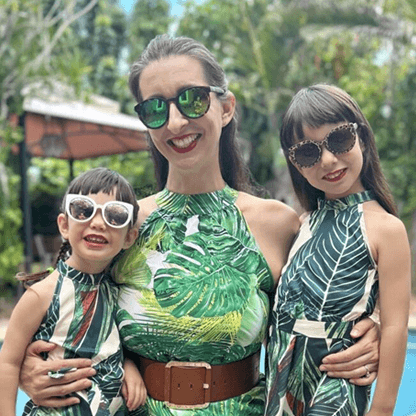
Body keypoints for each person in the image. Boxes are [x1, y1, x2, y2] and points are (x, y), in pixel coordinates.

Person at [18, 36, 379, 415]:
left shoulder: (279, 224)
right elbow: (65, 303)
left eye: (192, 99)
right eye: (155, 109)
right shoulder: (124, 225)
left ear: (226, 108)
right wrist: (29, 365)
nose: (175, 122)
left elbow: (342, 287)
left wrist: (374, 326)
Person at [264, 84, 411, 416]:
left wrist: (382, 410)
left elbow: (394, 326)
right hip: (280, 390)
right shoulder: (302, 224)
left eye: (339, 139)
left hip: (335, 390)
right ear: (295, 164)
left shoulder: (386, 229)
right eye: (307, 153)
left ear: (361, 136)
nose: (328, 160)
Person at [0, 168, 147, 415]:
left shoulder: (118, 292)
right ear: (65, 225)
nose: (99, 223)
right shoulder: (42, 295)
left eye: (115, 216)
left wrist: (128, 366)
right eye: (84, 210)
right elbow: (7, 363)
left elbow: (112, 346)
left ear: (129, 237)